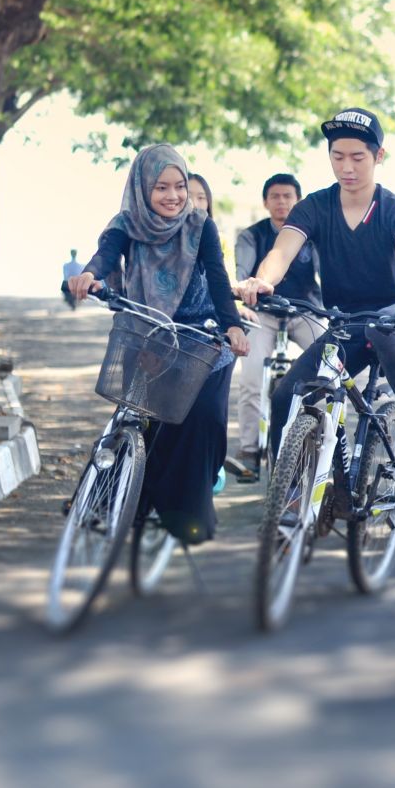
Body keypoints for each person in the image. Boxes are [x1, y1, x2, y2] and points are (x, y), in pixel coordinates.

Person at [238, 110, 395, 490]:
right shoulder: (315, 206)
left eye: (357, 157)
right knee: (287, 396)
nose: (346, 167)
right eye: (337, 156)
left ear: (378, 157)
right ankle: (288, 492)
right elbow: (282, 251)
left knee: (383, 326)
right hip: (346, 324)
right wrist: (261, 281)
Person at [65, 144, 250, 543]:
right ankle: (108, 498)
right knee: (133, 418)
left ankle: (185, 512)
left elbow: (218, 278)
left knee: (199, 419)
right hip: (147, 329)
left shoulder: (201, 226)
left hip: (199, 335)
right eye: (161, 187)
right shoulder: (126, 223)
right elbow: (104, 256)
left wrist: (232, 326)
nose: (173, 196)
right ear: (142, 188)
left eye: (179, 186)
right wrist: (89, 275)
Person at [230, 173, 322, 479]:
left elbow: (327, 272)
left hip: (304, 312)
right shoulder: (251, 235)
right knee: (251, 377)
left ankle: (321, 438)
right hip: (263, 315)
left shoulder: (312, 234)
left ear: (297, 200)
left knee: (332, 367)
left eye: (288, 196)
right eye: (276, 197)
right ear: (265, 202)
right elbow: (243, 272)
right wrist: (242, 289)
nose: (282, 202)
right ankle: (250, 450)